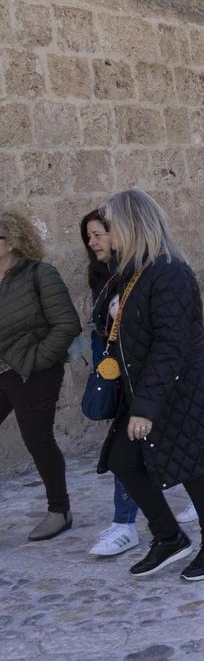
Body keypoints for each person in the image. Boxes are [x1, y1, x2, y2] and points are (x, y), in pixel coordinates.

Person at [96, 190, 204, 580]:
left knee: (191, 465)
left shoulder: (169, 271)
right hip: (148, 387)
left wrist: (146, 407)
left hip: (179, 387)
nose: (106, 232)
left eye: (110, 224)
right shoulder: (133, 271)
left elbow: (171, 343)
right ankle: (169, 537)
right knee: (123, 460)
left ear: (131, 224)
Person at [0, 207, 82, 542]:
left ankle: (59, 510)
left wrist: (34, 360)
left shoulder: (39, 274)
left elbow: (67, 325)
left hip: (33, 373)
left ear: (12, 240)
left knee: (37, 439)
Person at [80, 210, 142, 557]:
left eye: (98, 234)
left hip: (144, 378)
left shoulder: (140, 275)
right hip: (120, 375)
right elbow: (100, 330)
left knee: (139, 449)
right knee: (129, 450)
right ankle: (126, 524)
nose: (93, 242)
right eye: (88, 237)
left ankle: (127, 525)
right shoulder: (101, 278)